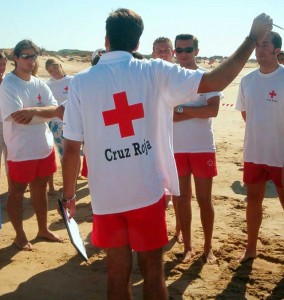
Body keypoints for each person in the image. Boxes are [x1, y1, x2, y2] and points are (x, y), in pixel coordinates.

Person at [61, 8, 272, 300]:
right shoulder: (154, 70)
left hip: (106, 196)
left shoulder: (81, 82)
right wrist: (251, 38)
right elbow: (215, 81)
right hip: (146, 191)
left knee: (117, 274)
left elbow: (71, 148)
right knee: (152, 272)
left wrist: (70, 196)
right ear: (137, 44)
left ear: (106, 39)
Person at [0, 39, 62, 251]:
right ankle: (19, 236)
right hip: (20, 150)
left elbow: (56, 109)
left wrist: (35, 111)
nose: (30, 60)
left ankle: (42, 229)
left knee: (40, 188)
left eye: (33, 56)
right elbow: (19, 118)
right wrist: (45, 113)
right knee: (17, 191)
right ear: (15, 58)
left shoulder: (39, 83)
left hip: (43, 147)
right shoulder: (8, 84)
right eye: (25, 56)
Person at [235, 31, 284, 263]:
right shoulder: (247, 80)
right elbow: (247, 115)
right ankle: (251, 248)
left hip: (281, 154)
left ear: (277, 50)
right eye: (257, 45)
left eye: (265, 45)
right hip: (254, 152)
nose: (260, 50)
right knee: (253, 200)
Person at [172, 34, 221, 264]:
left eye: (188, 49)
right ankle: (188, 246)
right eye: (179, 50)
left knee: (204, 200)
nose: (183, 54)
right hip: (177, 148)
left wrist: (181, 109)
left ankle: (208, 247)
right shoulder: (170, 79)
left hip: (202, 148)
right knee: (182, 199)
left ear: (196, 50)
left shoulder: (206, 77)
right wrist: (192, 110)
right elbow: (167, 115)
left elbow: (212, 111)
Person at [152, 36, 182, 243]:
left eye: (166, 50)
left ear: (172, 53)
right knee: (157, 193)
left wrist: (178, 110)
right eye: (159, 50)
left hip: (182, 143)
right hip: (157, 143)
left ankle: (180, 231)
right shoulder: (148, 76)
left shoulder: (180, 76)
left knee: (181, 194)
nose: (163, 53)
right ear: (153, 53)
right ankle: (159, 232)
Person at [45, 58, 74, 192]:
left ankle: (73, 179)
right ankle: (62, 183)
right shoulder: (47, 84)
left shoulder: (73, 80)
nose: (54, 72)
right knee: (63, 153)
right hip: (55, 123)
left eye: (55, 68)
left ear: (60, 65)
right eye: (50, 71)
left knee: (74, 152)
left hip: (73, 120)